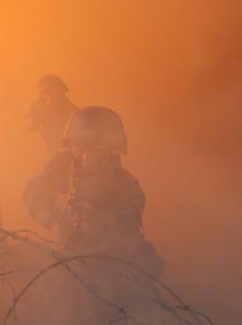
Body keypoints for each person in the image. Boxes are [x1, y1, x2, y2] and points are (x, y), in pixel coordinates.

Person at [23, 106, 162, 278]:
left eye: (94, 147)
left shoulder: (127, 188)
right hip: (65, 266)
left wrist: (96, 219)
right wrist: (62, 204)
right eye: (78, 145)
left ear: (112, 149)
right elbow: (33, 192)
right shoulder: (63, 169)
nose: (85, 154)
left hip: (104, 273)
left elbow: (126, 240)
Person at [29, 75, 78, 150]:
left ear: (58, 90)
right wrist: (36, 115)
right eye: (43, 92)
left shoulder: (70, 109)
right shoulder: (43, 108)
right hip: (50, 150)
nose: (43, 94)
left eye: (46, 90)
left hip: (64, 151)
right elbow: (34, 128)